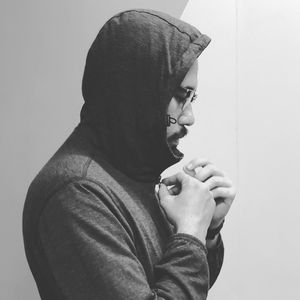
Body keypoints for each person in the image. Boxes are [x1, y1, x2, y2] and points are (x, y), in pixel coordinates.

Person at [23, 9, 236, 300]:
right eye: (179, 96)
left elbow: (183, 287)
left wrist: (207, 231)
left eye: (192, 98)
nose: (189, 118)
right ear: (138, 91)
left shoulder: (129, 172)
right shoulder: (76, 194)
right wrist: (190, 230)